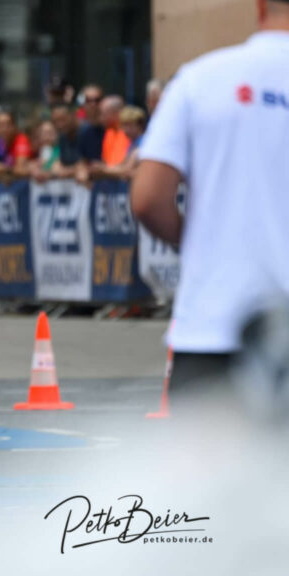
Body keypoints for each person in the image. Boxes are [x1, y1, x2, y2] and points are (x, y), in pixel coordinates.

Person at [130, 0, 289, 410]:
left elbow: (148, 198)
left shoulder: (201, 79)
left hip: (215, 324)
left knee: (211, 453)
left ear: (260, 7)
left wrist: (200, 242)